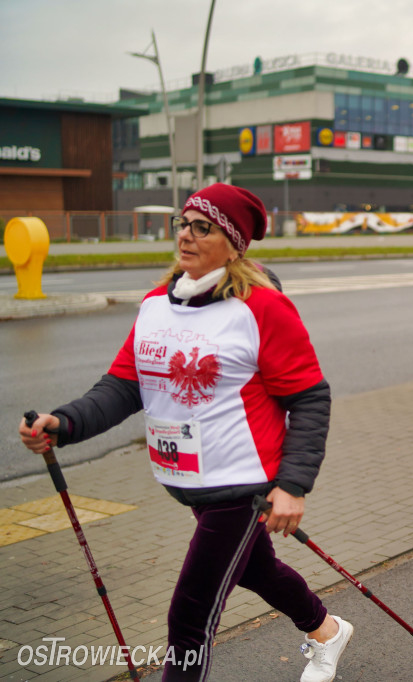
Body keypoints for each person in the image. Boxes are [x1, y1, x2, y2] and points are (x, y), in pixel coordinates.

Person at [18, 183, 350, 682]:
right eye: (184, 223)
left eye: (204, 227)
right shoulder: (156, 304)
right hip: (193, 480)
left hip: (244, 484)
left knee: (189, 616)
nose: (186, 236)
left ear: (233, 242)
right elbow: (123, 386)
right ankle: (327, 631)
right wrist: (63, 424)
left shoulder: (260, 308)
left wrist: (292, 485)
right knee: (256, 570)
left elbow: (308, 396)